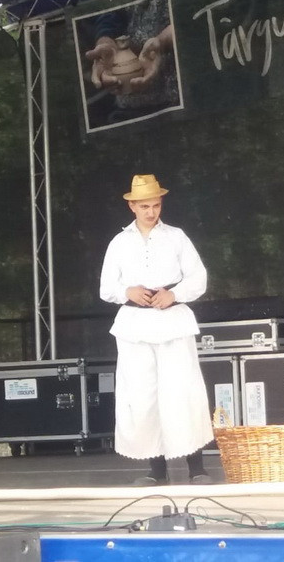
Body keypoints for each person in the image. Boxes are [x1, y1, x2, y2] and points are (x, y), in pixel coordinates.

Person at [99, 174, 214, 485]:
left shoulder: (176, 237)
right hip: (135, 325)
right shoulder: (120, 242)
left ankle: (197, 468)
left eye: (156, 205)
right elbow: (106, 287)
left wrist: (174, 294)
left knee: (182, 391)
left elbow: (198, 277)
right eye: (145, 206)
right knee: (142, 395)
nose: (151, 212)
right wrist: (128, 292)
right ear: (132, 206)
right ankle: (157, 471)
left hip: (172, 320)